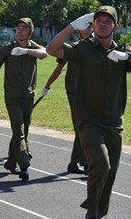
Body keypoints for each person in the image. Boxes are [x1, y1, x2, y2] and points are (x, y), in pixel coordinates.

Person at [47, 5, 131, 219]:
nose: (103, 24)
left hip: (114, 123)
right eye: (98, 21)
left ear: (115, 26)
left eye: (108, 21)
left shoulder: (122, 52)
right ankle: (91, 217)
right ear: (92, 25)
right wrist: (72, 26)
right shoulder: (82, 49)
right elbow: (52, 49)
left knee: (110, 175)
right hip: (88, 121)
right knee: (101, 165)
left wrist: (128, 57)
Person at [0, 17, 47, 181]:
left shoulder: (33, 48)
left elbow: (44, 53)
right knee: (18, 129)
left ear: (30, 32)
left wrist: (26, 52)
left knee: (24, 130)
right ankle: (24, 164)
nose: (20, 30)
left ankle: (10, 162)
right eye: (17, 28)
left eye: (24, 28)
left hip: (28, 95)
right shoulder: (7, 49)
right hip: (12, 96)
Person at [40, 26, 94, 175]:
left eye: (90, 28)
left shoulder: (96, 47)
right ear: (79, 31)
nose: (89, 31)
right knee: (82, 126)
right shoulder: (73, 48)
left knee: (83, 127)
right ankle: (85, 163)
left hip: (90, 91)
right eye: (85, 28)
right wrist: (47, 85)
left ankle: (74, 163)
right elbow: (58, 68)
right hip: (74, 90)